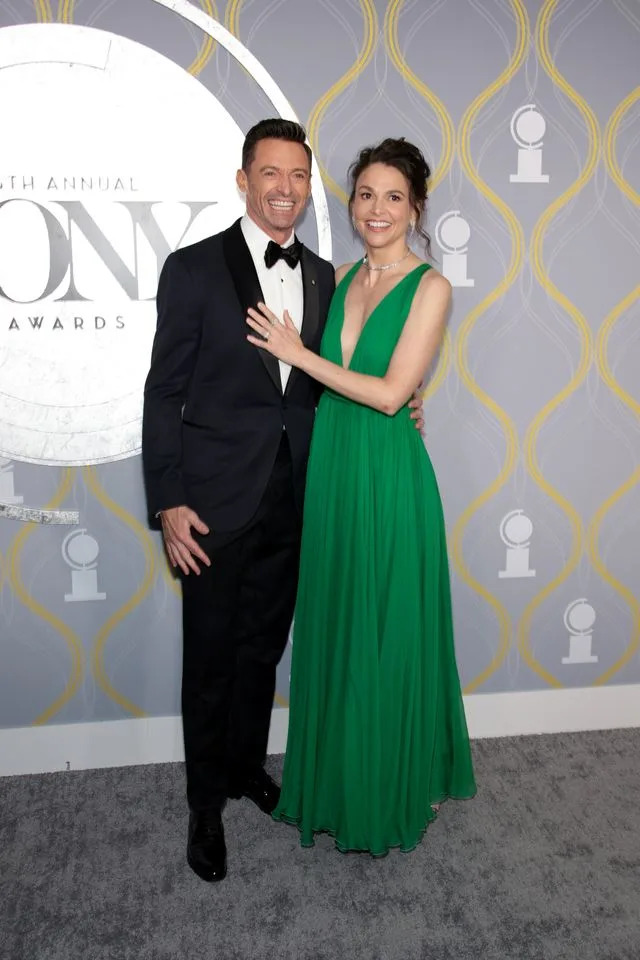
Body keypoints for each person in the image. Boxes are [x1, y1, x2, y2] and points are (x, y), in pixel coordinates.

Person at [142, 120, 424, 882]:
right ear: (243, 179)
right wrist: (167, 500)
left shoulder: (330, 276)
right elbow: (163, 391)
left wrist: (410, 397)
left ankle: (243, 767)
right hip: (209, 503)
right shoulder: (194, 269)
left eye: (298, 176)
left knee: (263, 647)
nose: (285, 189)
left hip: (303, 494)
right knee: (209, 657)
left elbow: (351, 372)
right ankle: (205, 804)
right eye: (270, 174)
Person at [246, 137, 476, 856]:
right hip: (335, 474)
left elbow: (387, 394)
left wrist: (300, 355)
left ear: (416, 209)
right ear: (350, 204)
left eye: (394, 197)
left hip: (388, 479)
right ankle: (344, 777)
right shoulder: (339, 275)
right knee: (343, 627)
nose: (377, 209)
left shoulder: (432, 286)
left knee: (387, 630)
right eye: (365, 194)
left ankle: (393, 783)